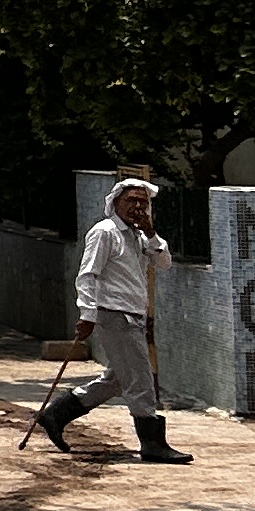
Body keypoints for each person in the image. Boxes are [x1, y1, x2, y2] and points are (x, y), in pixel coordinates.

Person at [33, 177, 194, 461]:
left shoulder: (139, 235)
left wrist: (151, 232)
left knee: (118, 379)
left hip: (133, 314)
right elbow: (87, 275)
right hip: (115, 315)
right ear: (116, 202)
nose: (137, 207)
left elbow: (164, 262)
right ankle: (152, 444)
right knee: (140, 379)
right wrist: (87, 314)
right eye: (131, 200)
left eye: (143, 202)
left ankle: (56, 414)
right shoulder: (105, 232)